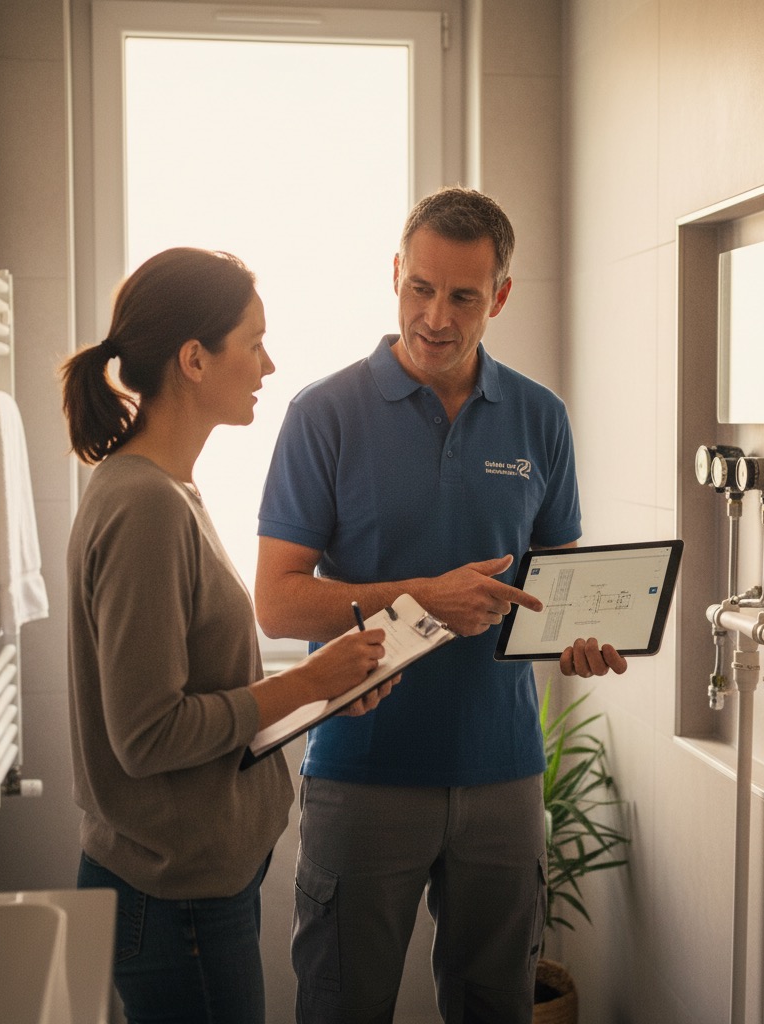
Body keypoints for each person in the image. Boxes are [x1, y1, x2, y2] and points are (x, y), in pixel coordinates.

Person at [254, 188, 628, 1024]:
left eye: (463, 296)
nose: (435, 316)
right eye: (419, 287)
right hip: (362, 769)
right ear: (395, 275)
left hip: (503, 774)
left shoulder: (540, 417)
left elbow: (551, 594)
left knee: (494, 1006)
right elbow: (276, 604)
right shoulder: (323, 415)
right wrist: (424, 598)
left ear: (498, 296)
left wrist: (576, 640)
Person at [61, 247, 395, 1024]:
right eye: (253, 342)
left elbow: (205, 699)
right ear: (193, 359)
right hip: (172, 900)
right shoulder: (144, 505)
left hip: (189, 887)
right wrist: (309, 681)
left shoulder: (170, 489)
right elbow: (148, 734)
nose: (268, 363)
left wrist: (322, 697)